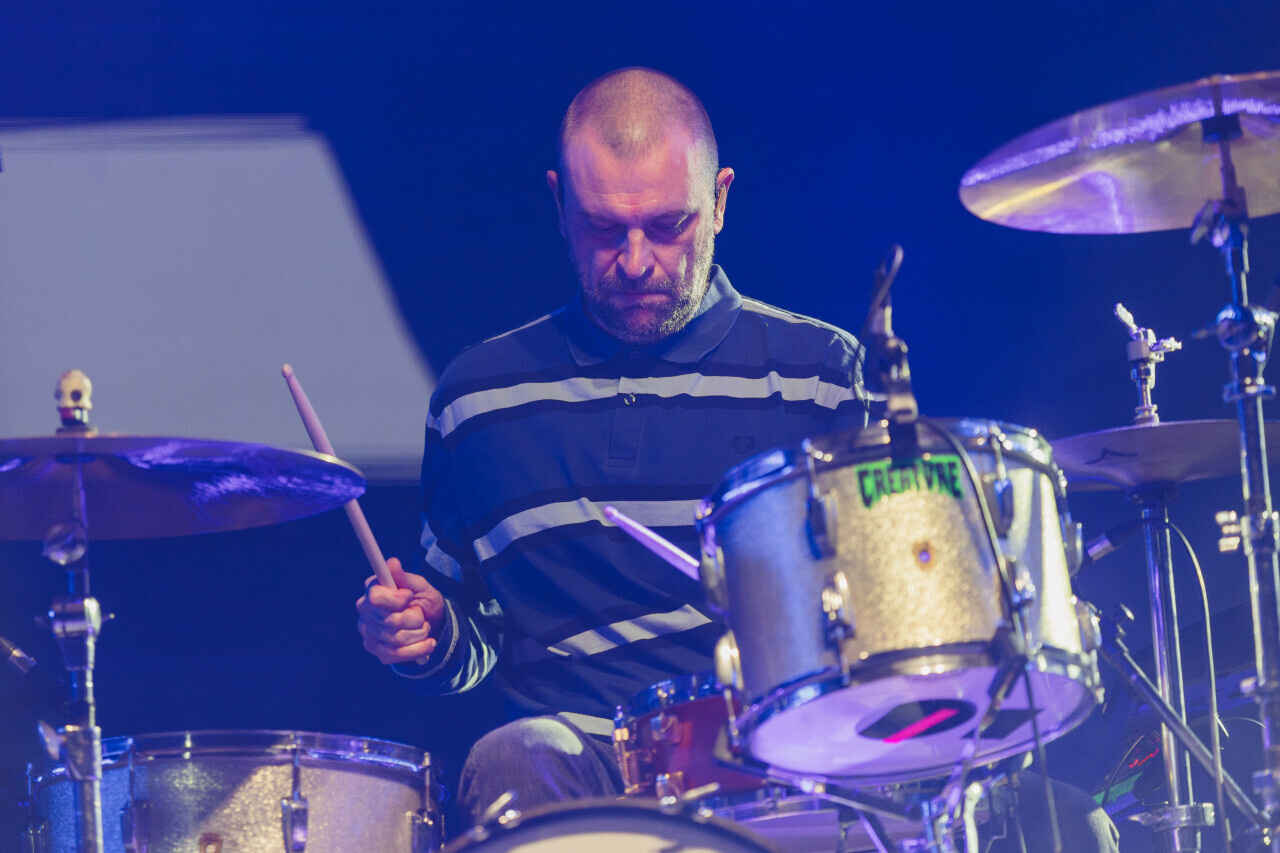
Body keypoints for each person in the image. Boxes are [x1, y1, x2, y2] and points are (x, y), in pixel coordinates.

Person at [356, 67, 1119, 852]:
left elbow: (891, 611)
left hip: (792, 758)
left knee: (1064, 820)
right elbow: (470, 635)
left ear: (719, 200)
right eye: (603, 229)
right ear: (558, 204)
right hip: (582, 770)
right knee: (515, 753)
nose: (636, 260)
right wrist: (426, 632)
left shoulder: (820, 373)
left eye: (668, 225)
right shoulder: (477, 400)